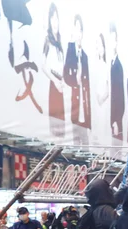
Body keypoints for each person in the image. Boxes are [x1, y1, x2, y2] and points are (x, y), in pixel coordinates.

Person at [64, 14, 91, 146]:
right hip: (73, 107)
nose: (79, 34)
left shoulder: (85, 56)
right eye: (76, 30)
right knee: (74, 143)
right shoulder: (70, 51)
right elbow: (66, 76)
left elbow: (88, 89)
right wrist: (76, 79)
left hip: (84, 112)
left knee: (85, 143)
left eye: (81, 30)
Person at [42, 2, 65, 139]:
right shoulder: (48, 40)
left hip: (61, 84)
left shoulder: (60, 41)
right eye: (53, 18)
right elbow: (43, 64)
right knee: (55, 120)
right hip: (54, 83)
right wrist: (55, 81)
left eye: (57, 18)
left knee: (62, 122)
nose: (55, 22)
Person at [109, 22, 125, 141]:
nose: (111, 43)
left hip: (115, 123)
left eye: (113, 40)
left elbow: (120, 97)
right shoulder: (109, 63)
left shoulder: (118, 66)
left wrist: (116, 120)